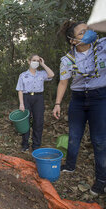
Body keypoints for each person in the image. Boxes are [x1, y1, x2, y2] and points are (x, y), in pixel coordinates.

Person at [53, 21, 106, 196]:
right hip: (77, 99)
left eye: (88, 30)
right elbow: (63, 82)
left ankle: (101, 180)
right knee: (74, 136)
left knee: (99, 140)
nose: (88, 33)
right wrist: (57, 104)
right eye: (82, 32)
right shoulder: (67, 60)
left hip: (100, 97)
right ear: (72, 41)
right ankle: (69, 165)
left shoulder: (102, 47)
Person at [16, 55, 54, 152]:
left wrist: (43, 64)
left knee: (38, 122)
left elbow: (51, 75)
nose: (36, 62)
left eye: (38, 61)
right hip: (26, 97)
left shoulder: (41, 74)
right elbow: (20, 90)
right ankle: (25, 144)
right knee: (26, 121)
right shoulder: (23, 75)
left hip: (38, 98)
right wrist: (21, 104)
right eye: (34, 60)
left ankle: (36, 145)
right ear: (29, 61)